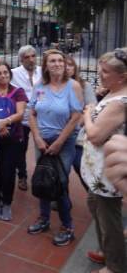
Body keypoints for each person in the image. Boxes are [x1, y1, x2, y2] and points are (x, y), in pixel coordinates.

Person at [27, 49, 83, 247]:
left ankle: (67, 226)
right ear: (46, 65)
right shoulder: (39, 86)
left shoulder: (73, 86)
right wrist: (37, 137)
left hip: (64, 141)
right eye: (52, 61)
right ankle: (44, 219)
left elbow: (76, 115)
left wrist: (59, 141)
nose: (57, 64)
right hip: (41, 140)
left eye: (60, 60)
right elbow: (31, 112)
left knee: (59, 181)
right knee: (43, 178)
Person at [80, 48, 127, 273]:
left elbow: (96, 136)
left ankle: (115, 266)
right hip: (97, 173)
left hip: (107, 173)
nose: (100, 74)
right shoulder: (113, 92)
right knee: (96, 209)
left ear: (122, 76)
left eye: (106, 71)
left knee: (110, 222)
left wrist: (88, 113)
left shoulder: (120, 102)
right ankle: (107, 251)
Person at [0, 62, 27, 221]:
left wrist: (5, 122)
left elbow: (21, 113)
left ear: (10, 74)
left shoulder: (18, 92)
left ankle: (7, 203)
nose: (3, 76)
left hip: (13, 140)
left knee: (8, 173)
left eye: (5, 72)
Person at [11, 45, 42, 191]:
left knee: (42, 148)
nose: (31, 59)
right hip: (22, 117)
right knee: (20, 149)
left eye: (33, 56)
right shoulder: (14, 73)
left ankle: (42, 177)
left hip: (39, 117)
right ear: (21, 59)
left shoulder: (42, 71)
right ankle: (22, 176)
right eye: (27, 57)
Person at [65, 55, 97, 191]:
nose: (67, 68)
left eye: (70, 65)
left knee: (80, 166)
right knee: (61, 169)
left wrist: (76, 125)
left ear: (75, 68)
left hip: (78, 135)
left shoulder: (85, 86)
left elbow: (91, 107)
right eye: (65, 64)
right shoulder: (56, 86)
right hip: (59, 133)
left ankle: (93, 194)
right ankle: (60, 198)